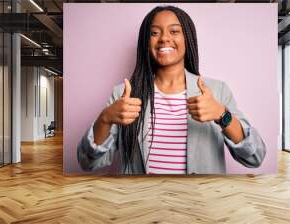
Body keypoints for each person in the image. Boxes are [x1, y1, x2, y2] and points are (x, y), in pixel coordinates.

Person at [77, 5, 266, 174]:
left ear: (187, 38)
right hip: (139, 207)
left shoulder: (216, 91)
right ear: (146, 42)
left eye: (174, 31)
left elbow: (255, 157)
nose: (164, 38)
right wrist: (105, 118)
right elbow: (88, 162)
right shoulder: (124, 95)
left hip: (200, 207)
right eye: (154, 33)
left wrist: (222, 115)